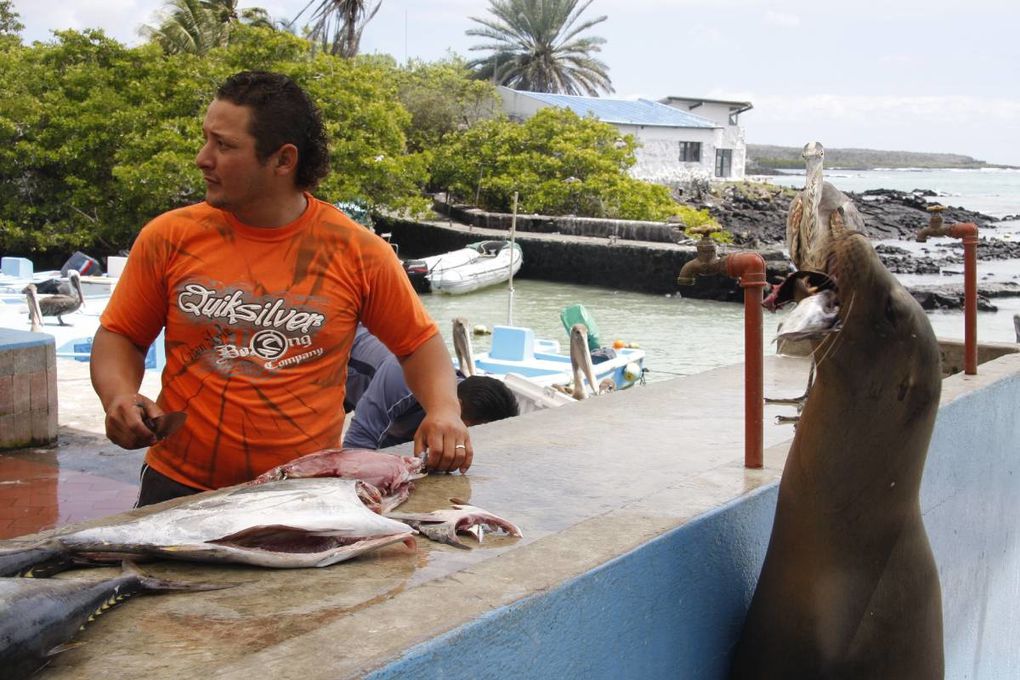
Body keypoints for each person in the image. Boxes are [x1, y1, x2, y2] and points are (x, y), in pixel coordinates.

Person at [90, 71, 470, 506]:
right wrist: (118, 395)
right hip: (177, 486)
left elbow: (419, 344)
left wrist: (443, 409)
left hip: (300, 494)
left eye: (224, 145)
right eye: (205, 139)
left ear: (283, 160)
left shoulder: (357, 252)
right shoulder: (169, 237)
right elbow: (122, 334)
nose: (202, 157)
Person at [344, 325, 519, 450]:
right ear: (457, 406)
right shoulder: (403, 378)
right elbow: (359, 442)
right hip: (338, 360)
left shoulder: (458, 395)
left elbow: (395, 445)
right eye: (466, 432)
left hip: (372, 394)